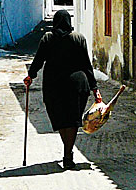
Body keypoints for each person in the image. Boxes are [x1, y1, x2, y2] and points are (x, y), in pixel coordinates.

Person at [23, 9, 103, 170]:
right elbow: (87, 65)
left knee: (61, 118)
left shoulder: (48, 38)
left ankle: (67, 152)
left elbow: (38, 60)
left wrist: (30, 75)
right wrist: (95, 88)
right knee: (73, 119)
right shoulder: (79, 38)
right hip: (77, 84)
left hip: (54, 85)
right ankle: (68, 154)